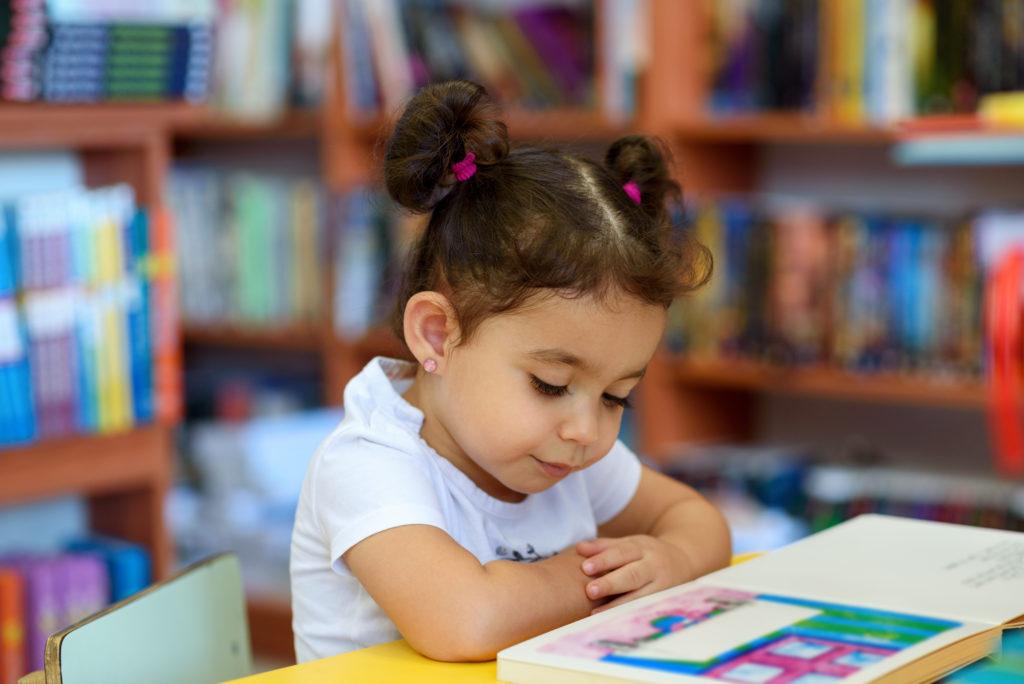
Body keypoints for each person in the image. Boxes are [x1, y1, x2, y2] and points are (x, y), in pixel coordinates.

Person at [290, 80, 731, 663]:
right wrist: (603, 580)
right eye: (550, 384)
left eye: (616, 397)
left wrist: (670, 560)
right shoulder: (369, 462)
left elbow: (698, 521)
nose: (586, 429)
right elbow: (464, 622)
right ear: (437, 335)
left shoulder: (560, 452)